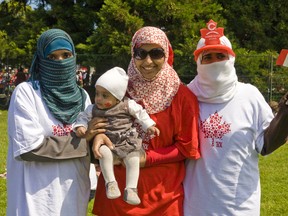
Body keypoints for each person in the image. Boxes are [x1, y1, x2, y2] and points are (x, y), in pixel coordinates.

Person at [89, 26, 200, 216]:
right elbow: (98, 123)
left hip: (162, 198)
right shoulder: (116, 91)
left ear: (167, 54)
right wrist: (95, 135)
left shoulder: (182, 97)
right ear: (133, 54)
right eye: (141, 53)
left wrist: (147, 159)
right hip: (116, 197)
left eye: (156, 53)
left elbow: (186, 147)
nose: (148, 61)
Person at [184, 19, 288, 216]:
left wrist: (286, 110)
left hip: (240, 207)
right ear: (198, 61)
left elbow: (265, 144)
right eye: (208, 57)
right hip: (196, 207)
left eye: (220, 56)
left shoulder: (249, 95)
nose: (215, 62)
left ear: (231, 58)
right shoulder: (186, 97)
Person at [6, 29, 92, 216]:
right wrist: (84, 142)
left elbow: (91, 143)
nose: (60, 62)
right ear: (41, 59)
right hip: (36, 198)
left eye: (66, 55)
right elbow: (29, 149)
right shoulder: (27, 92)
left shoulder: (82, 96)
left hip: (73, 193)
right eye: (52, 57)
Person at [73, 66, 160, 205]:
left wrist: (148, 125)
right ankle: (110, 183)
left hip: (126, 141)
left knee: (133, 158)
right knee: (103, 152)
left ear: (118, 98)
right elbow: (83, 117)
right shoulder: (93, 108)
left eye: (105, 95)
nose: (99, 99)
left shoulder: (127, 104)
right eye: (97, 93)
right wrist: (81, 126)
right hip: (107, 143)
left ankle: (131, 189)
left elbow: (140, 113)